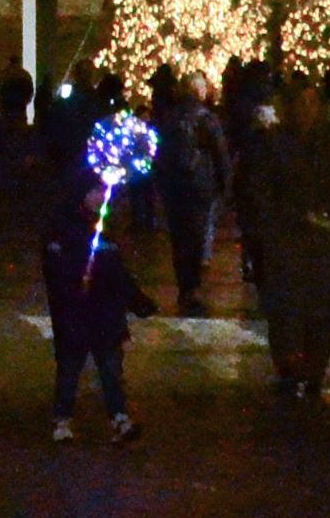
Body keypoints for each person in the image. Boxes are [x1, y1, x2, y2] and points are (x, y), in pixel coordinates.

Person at [239, 75, 330, 402]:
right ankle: (290, 371)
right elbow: (258, 192)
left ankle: (314, 372)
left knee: (320, 313)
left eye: (311, 103)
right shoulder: (273, 143)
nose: (305, 110)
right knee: (287, 314)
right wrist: (284, 220)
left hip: (322, 243)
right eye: (300, 103)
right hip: (286, 243)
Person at [39, 157, 152, 443]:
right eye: (94, 191)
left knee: (111, 368)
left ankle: (119, 419)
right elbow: (56, 271)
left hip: (105, 312)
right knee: (70, 367)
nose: (99, 197)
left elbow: (116, 270)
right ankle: (62, 419)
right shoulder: (64, 227)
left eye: (102, 191)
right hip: (76, 311)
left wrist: (136, 300)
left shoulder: (106, 227)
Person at [150, 70, 228, 315]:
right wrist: (225, 184)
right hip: (199, 186)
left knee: (179, 239)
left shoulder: (169, 118)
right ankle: (193, 287)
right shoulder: (206, 119)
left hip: (174, 187)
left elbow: (159, 153)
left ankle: (184, 286)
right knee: (196, 237)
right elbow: (220, 154)